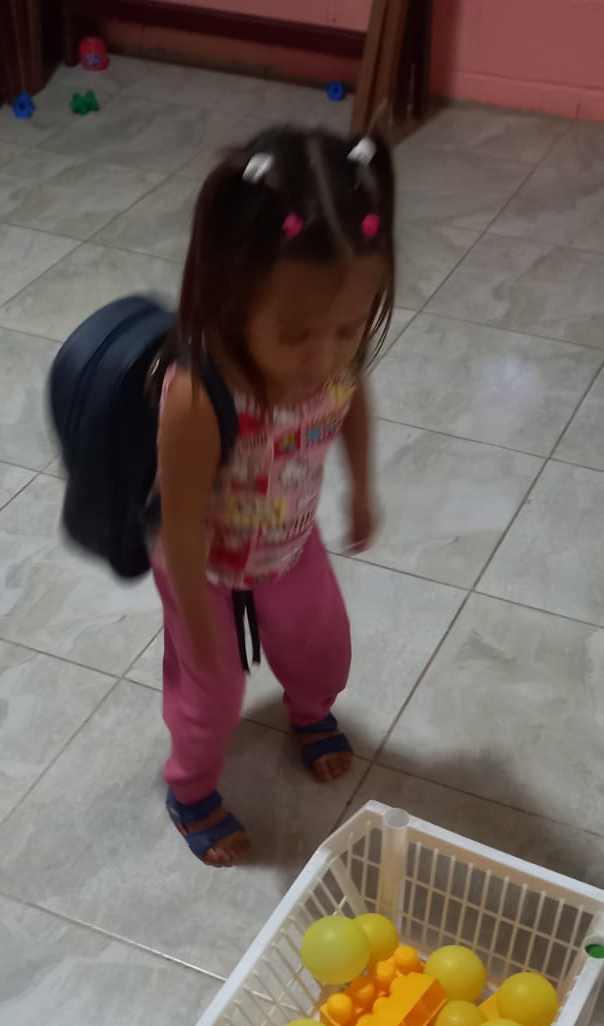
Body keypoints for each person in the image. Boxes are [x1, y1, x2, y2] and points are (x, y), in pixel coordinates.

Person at [152, 124, 396, 866]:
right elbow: (178, 522)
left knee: (323, 647)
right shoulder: (200, 394)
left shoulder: (335, 362)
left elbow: (352, 400)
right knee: (213, 691)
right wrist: (201, 628)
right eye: (295, 334)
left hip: (289, 541)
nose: (324, 357)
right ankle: (190, 787)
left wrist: (361, 489)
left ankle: (310, 712)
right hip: (199, 556)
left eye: (348, 328)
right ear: (231, 296)